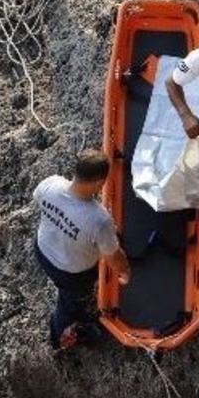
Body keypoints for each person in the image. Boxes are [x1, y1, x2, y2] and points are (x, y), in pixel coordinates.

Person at [32, 150, 131, 350]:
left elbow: (39, 201)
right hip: (72, 273)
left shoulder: (50, 183)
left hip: (42, 250)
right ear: (98, 184)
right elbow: (114, 257)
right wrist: (125, 272)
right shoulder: (99, 219)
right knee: (69, 305)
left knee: (109, 238)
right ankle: (59, 340)